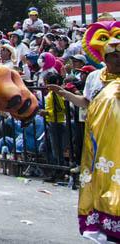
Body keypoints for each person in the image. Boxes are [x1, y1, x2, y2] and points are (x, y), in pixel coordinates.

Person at [75, 30, 120, 242]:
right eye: (114, 56)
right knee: (102, 178)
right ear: (106, 58)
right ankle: (104, 225)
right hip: (100, 137)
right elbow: (88, 103)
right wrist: (65, 94)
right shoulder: (95, 77)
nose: (118, 60)